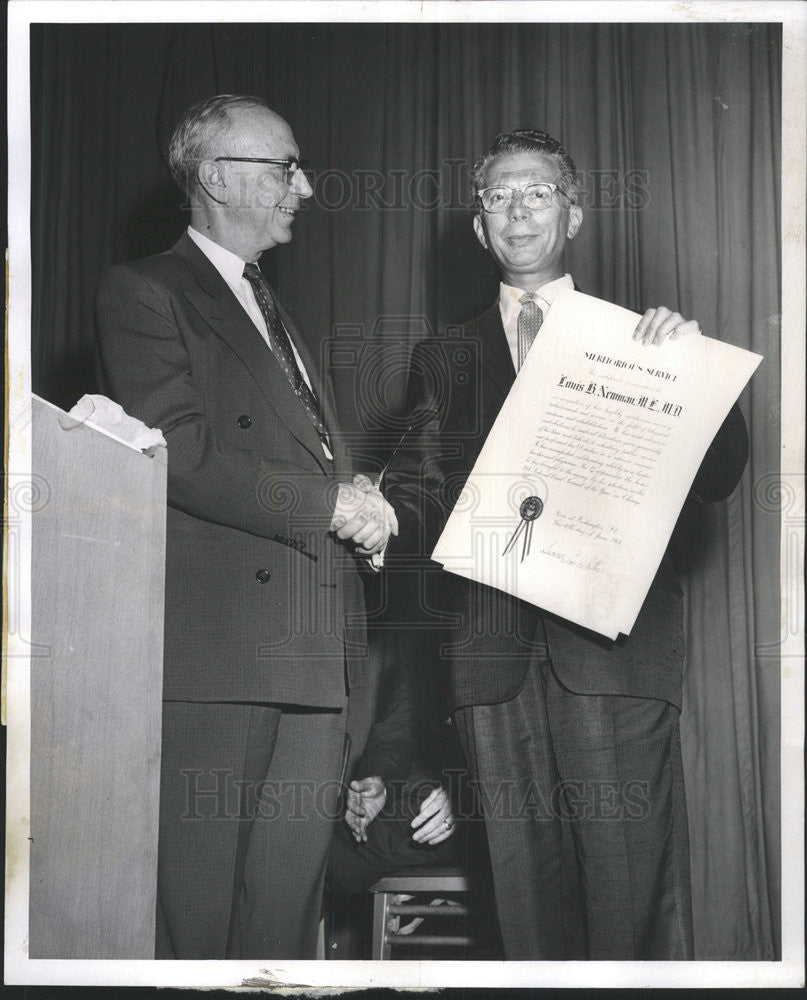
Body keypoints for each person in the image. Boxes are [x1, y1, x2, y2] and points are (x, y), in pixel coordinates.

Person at [385, 128, 749, 960]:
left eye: (536, 193)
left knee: (626, 897)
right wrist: (377, 512)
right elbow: (417, 487)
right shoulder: (441, 355)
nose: (516, 211)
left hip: (611, 655)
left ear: (574, 214)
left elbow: (722, 473)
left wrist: (690, 369)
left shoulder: (643, 337)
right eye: (496, 198)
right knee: (522, 906)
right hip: (489, 659)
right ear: (478, 229)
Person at [94, 94, 397, 960]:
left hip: (313, 660)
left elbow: (299, 462)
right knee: (197, 922)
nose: (304, 186)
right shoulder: (146, 290)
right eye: (285, 167)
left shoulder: (276, 309)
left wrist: (359, 495)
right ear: (221, 177)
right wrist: (329, 504)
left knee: (280, 926)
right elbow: (179, 454)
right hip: (219, 663)